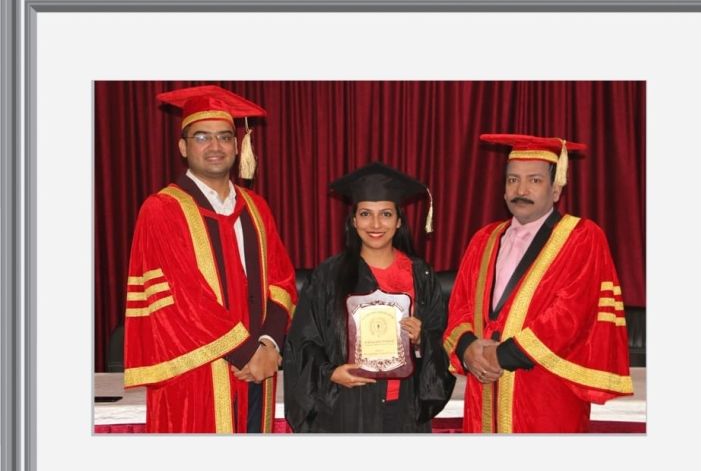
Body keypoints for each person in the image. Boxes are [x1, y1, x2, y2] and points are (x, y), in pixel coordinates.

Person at [123, 85, 297, 433]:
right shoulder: (162, 210)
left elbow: (281, 281)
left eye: (225, 137)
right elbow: (185, 298)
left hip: (258, 373)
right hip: (196, 375)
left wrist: (269, 345)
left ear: (237, 145)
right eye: (202, 136)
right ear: (183, 147)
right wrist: (249, 355)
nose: (215, 146)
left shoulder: (256, 208)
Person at [443, 133, 633, 433]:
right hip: (484, 389)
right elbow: (460, 306)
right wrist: (468, 349)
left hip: (544, 390)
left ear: (556, 190)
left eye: (534, 180)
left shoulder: (582, 237)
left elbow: (569, 315)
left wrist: (501, 356)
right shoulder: (484, 239)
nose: (521, 190)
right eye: (512, 180)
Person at [283, 161, 456, 432]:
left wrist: (422, 340)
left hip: (404, 409)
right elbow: (303, 341)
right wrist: (329, 373)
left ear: (399, 221)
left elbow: (441, 336)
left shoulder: (420, 275)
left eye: (386, 214)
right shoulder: (328, 276)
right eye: (365, 214)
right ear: (354, 221)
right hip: (347, 407)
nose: (375, 224)